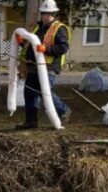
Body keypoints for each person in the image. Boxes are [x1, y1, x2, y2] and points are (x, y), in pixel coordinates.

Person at [16, 0, 72, 129]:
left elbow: (63, 48)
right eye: (44, 14)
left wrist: (46, 49)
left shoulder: (59, 28)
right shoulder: (38, 28)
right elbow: (30, 45)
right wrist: (21, 42)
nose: (45, 16)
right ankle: (31, 122)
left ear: (54, 14)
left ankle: (63, 111)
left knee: (45, 92)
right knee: (29, 93)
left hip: (49, 67)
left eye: (48, 14)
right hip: (34, 67)